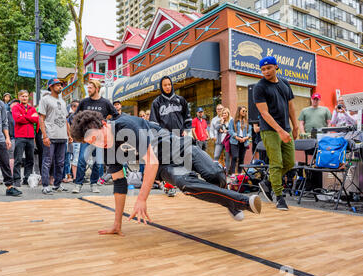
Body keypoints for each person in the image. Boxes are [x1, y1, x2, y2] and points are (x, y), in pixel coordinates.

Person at [70, 110, 262, 236]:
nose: (97, 144)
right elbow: (119, 186)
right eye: (91, 143)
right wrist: (116, 224)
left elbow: (150, 159)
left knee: (216, 176)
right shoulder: (109, 151)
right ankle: (242, 202)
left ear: (104, 124)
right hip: (164, 165)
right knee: (186, 184)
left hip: (181, 148)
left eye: (96, 138)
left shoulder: (125, 125)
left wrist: (142, 198)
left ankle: (228, 200)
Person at [253, 56, 298, 211]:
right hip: (270, 130)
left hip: (286, 129)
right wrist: (280, 131)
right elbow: (264, 113)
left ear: (276, 67)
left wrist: (296, 126)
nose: (266, 71)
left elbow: (291, 106)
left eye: (269, 68)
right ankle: (279, 197)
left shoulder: (285, 83)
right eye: (263, 69)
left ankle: (268, 182)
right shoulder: (260, 87)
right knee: (276, 163)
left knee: (290, 162)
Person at [72, 79, 119, 194]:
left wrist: (107, 124)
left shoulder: (105, 103)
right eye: (88, 88)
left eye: (90, 88)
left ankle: (94, 183)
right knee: (82, 161)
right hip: (86, 137)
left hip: (100, 138)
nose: (88, 90)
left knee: (98, 162)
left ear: (97, 89)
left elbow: (116, 115)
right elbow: (76, 117)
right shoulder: (84, 102)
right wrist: (78, 133)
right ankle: (78, 184)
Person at [38, 78, 71, 195]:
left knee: (60, 162)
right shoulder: (45, 99)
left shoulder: (63, 101)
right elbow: (41, 118)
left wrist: (69, 134)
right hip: (50, 135)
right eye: (57, 85)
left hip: (62, 136)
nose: (60, 87)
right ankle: (46, 185)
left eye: (60, 85)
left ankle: (57, 184)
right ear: (51, 87)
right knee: (48, 161)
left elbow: (65, 119)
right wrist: (44, 136)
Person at [12, 90, 39, 187]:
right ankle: (16, 179)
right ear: (19, 97)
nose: (25, 98)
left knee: (30, 159)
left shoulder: (32, 108)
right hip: (20, 136)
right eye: (23, 96)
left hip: (31, 137)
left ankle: (27, 179)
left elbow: (36, 119)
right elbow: (17, 119)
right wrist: (29, 117)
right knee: (18, 159)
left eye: (26, 96)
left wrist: (24, 116)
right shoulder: (16, 107)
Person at [229, 106, 251, 175]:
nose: (245, 112)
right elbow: (230, 130)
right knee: (235, 156)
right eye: (243, 111)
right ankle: (232, 173)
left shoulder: (247, 121)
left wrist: (245, 138)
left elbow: (250, 132)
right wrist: (237, 137)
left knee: (241, 158)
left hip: (244, 142)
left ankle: (239, 173)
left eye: (246, 111)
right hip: (235, 141)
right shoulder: (233, 121)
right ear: (239, 111)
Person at [64, 100, 80, 183]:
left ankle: (74, 176)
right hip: (73, 141)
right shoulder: (71, 117)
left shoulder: (79, 116)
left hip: (77, 141)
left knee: (74, 159)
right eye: (76, 106)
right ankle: (72, 176)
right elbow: (69, 128)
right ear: (73, 107)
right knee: (71, 159)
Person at [213, 108, 232, 172]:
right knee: (216, 156)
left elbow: (233, 130)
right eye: (223, 113)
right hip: (219, 141)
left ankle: (227, 172)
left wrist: (226, 131)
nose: (224, 114)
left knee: (227, 157)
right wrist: (221, 122)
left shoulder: (231, 121)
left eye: (225, 113)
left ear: (228, 114)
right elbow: (216, 128)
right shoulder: (219, 121)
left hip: (227, 142)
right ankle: (214, 170)